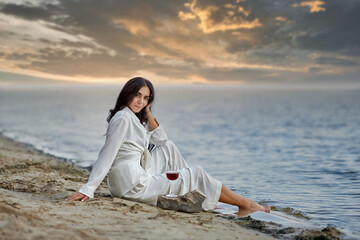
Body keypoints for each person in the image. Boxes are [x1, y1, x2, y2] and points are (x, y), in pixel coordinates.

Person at [67, 77, 270, 213]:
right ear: (128, 93)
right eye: (137, 95)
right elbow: (107, 154)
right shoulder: (122, 118)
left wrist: (147, 113)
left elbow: (161, 139)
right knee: (197, 173)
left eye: (146, 98)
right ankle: (246, 204)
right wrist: (89, 188)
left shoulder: (132, 117)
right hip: (132, 184)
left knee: (168, 147)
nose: (140, 101)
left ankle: (199, 192)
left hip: (133, 174)